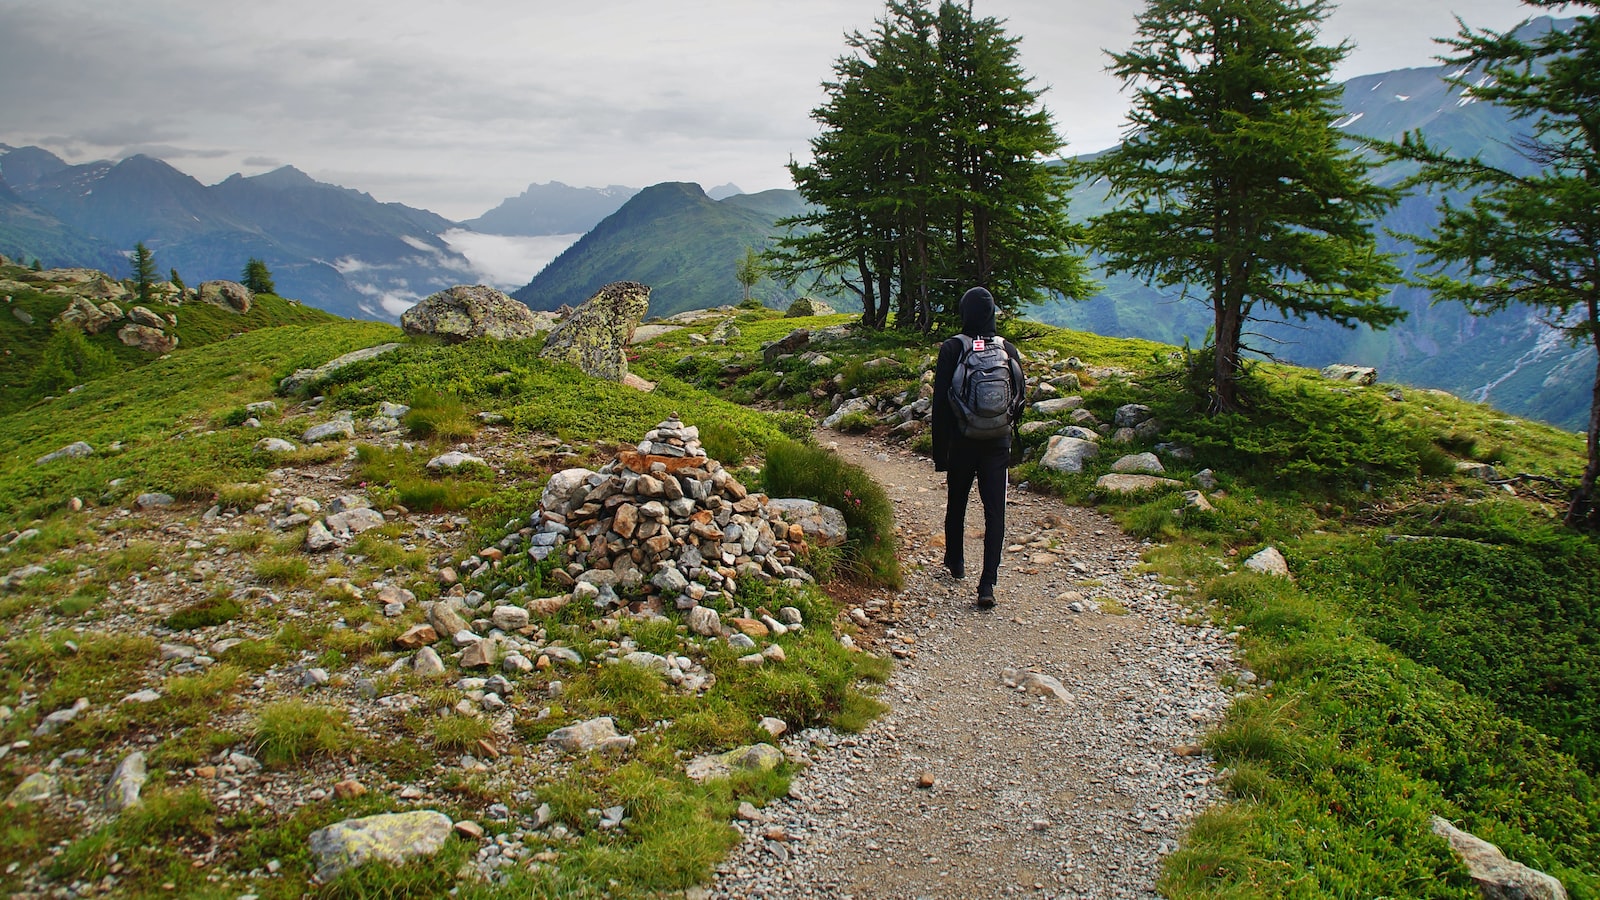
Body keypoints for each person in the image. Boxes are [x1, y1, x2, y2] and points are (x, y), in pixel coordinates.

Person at [931, 286, 1024, 608]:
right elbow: (1019, 396)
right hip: (997, 441)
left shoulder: (953, 348)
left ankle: (955, 562)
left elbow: (941, 403)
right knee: (994, 511)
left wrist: (940, 453)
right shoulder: (1007, 348)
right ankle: (987, 584)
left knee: (957, 502)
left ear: (964, 312)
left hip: (962, 439)